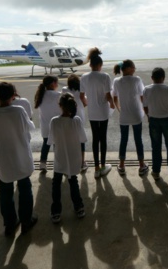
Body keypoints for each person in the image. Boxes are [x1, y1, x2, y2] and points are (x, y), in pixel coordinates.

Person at [0, 82, 38, 236]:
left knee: (5, 192)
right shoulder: (19, 110)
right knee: (25, 189)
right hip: (21, 157)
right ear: (14, 95)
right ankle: (26, 221)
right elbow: (30, 127)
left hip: (3, 160)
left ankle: (10, 224)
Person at [49, 93, 87, 223]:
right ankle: (79, 207)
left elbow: (51, 140)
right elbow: (83, 139)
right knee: (73, 181)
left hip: (60, 156)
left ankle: (56, 211)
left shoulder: (55, 121)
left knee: (56, 183)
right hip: (73, 156)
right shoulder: (76, 121)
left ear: (60, 106)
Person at [80, 47, 114, 178]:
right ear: (100, 65)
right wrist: (111, 104)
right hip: (103, 112)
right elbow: (108, 95)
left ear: (90, 64)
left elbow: (82, 96)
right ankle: (104, 166)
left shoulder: (84, 77)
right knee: (103, 138)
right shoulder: (105, 76)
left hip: (92, 112)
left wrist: (87, 103)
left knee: (95, 139)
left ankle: (96, 168)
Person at [112, 60, 149, 176]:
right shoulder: (136, 80)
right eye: (133, 67)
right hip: (136, 114)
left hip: (124, 116)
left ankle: (122, 165)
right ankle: (142, 165)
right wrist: (145, 111)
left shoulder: (117, 81)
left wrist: (119, 109)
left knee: (124, 139)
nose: (134, 69)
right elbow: (143, 97)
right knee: (138, 139)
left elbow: (115, 97)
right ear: (127, 68)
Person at [143, 67, 168, 181]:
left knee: (156, 147)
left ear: (152, 78)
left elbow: (145, 106)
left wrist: (149, 116)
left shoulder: (146, 89)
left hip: (154, 120)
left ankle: (156, 172)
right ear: (163, 78)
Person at [34, 75, 61, 172]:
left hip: (45, 126)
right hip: (56, 126)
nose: (57, 84)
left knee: (46, 144)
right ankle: (58, 164)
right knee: (57, 146)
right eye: (56, 82)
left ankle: (42, 164)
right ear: (53, 83)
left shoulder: (40, 95)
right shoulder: (58, 95)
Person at [62, 74, 88, 172]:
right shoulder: (81, 91)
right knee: (80, 139)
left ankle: (69, 161)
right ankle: (82, 162)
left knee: (69, 139)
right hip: (79, 117)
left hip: (68, 116)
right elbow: (85, 103)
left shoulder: (64, 89)